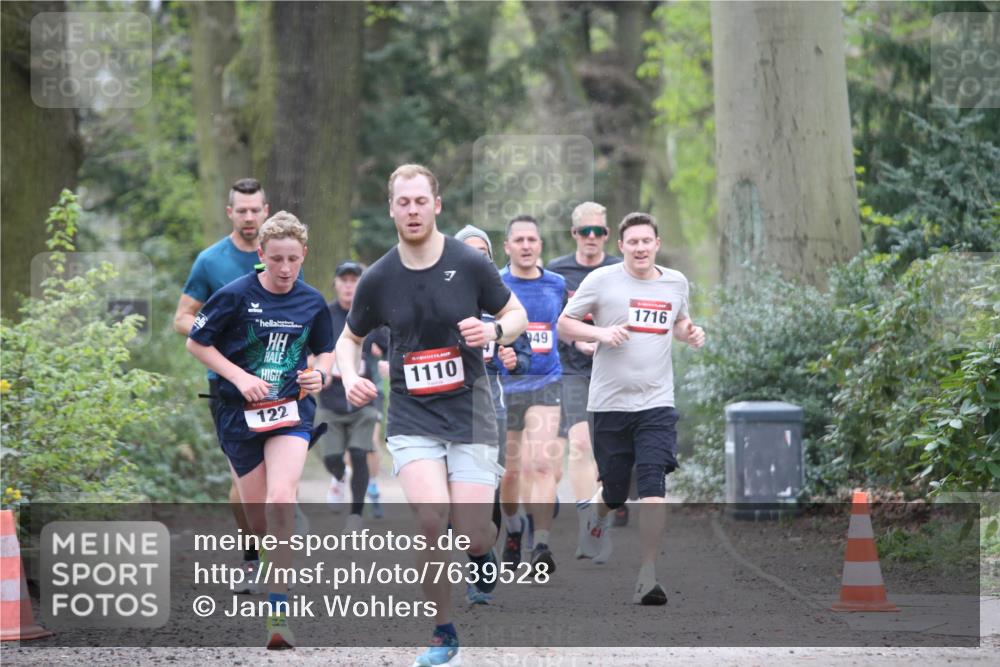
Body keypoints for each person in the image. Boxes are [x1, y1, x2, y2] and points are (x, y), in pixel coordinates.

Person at [337, 164, 528, 667]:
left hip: (470, 410)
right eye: (404, 202)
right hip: (413, 413)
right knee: (428, 519)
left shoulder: (469, 263)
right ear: (392, 209)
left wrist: (494, 333)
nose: (413, 210)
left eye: (422, 200)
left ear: (436, 205)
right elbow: (349, 338)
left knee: (470, 532)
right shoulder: (379, 277)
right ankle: (444, 632)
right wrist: (349, 373)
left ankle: (483, 553)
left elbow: (516, 315)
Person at [187, 212, 334, 646]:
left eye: (293, 259)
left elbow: (324, 351)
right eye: (276, 260)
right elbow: (196, 342)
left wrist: (319, 376)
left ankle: (278, 616)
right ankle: (262, 557)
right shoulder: (234, 296)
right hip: (238, 414)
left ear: (304, 254)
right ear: (260, 255)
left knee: (281, 499)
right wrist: (239, 377)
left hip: (289, 411)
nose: (285, 269)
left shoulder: (311, 301)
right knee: (258, 520)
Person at [557, 212, 705, 605]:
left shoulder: (675, 282)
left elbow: (679, 322)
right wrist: (601, 332)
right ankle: (595, 513)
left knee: (654, 485)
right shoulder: (602, 281)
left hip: (656, 401)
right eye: (633, 242)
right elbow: (565, 325)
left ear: (657, 243)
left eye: (647, 241)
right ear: (620, 246)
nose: (640, 248)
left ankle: (648, 575)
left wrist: (690, 333)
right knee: (617, 491)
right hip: (609, 404)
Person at [173, 178, 270, 591]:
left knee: (279, 476)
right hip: (227, 386)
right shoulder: (211, 261)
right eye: (241, 211)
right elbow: (182, 317)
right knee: (241, 476)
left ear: (266, 210)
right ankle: (252, 557)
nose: (249, 217)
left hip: (277, 383)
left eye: (255, 210)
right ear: (230, 213)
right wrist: (214, 330)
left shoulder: (281, 256)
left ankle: (276, 552)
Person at [455, 224, 533, 604]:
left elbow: (526, 354)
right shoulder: (442, 297)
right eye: (466, 251)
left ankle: (480, 565)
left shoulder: (501, 302)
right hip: (444, 411)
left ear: (490, 258)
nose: (475, 259)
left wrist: (514, 359)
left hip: (489, 410)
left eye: (481, 253)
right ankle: (476, 548)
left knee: (486, 495)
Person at [547, 202, 626, 545]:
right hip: (572, 369)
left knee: (610, 450)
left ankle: (601, 515)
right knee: (579, 444)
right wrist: (579, 340)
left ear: (608, 235)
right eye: (585, 231)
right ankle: (585, 523)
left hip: (615, 368)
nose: (592, 238)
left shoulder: (621, 270)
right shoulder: (557, 272)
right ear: (574, 234)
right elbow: (549, 321)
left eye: (599, 231)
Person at [497, 215, 566, 575]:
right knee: (510, 474)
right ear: (507, 247)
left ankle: (541, 543)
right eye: (519, 240)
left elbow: (561, 325)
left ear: (540, 245)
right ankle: (513, 528)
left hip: (546, 382)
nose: (526, 246)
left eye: (532, 240)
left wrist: (591, 338)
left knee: (541, 465)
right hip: (507, 388)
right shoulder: (495, 285)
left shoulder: (556, 284)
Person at [316, 261, 388, 531]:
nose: (349, 285)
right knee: (331, 457)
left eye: (354, 280)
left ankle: (356, 515)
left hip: (364, 398)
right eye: (343, 280)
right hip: (331, 397)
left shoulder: (372, 315)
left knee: (360, 453)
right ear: (335, 284)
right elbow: (308, 348)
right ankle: (339, 475)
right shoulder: (323, 314)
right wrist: (314, 367)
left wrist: (388, 362)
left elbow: (391, 345)